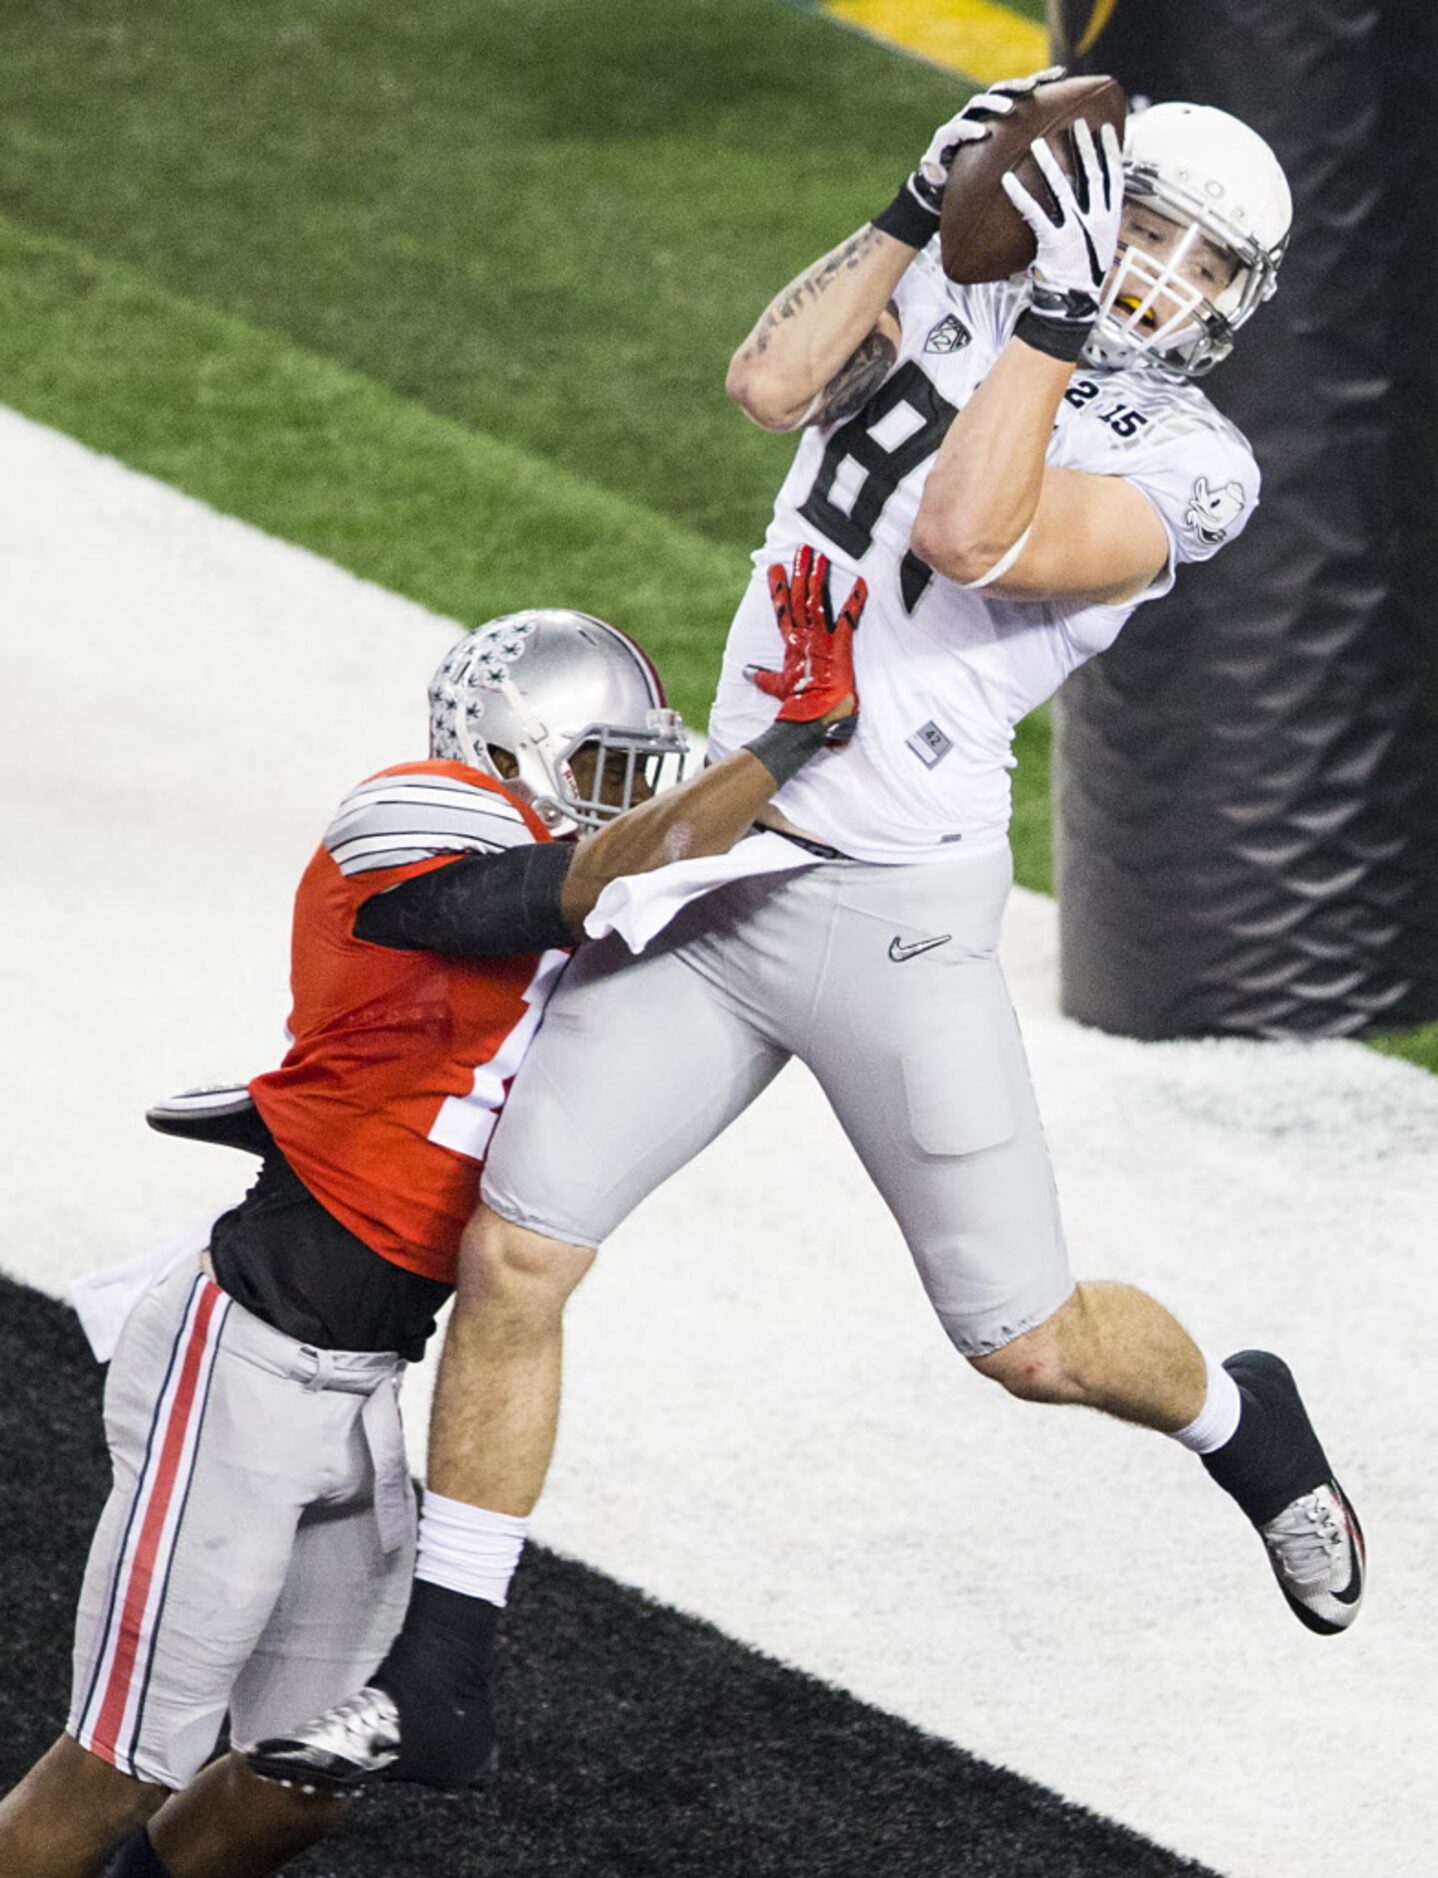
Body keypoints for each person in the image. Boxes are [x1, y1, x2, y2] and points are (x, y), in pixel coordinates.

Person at [253, 72, 1365, 1799]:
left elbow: (971, 526)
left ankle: (1238, 1412)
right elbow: (769, 381)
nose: (1157, 274)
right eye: (1137, 224)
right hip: (723, 858)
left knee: (1026, 1339)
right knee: (519, 1250)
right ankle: (444, 1664)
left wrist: (1049, 312)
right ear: (1088, 197)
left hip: (891, 909)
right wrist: (916, 212)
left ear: (1238, 301)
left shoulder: (1196, 463)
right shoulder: (974, 284)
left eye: (1196, 260)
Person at [0, 572, 863, 1878]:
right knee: (118, 1758)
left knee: (311, 1770)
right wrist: (788, 736)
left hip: (367, 1373)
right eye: (596, 763)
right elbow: (512, 901)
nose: (622, 795)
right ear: (502, 745)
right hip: (247, 1351)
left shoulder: (598, 889)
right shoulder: (421, 806)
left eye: (641, 772)